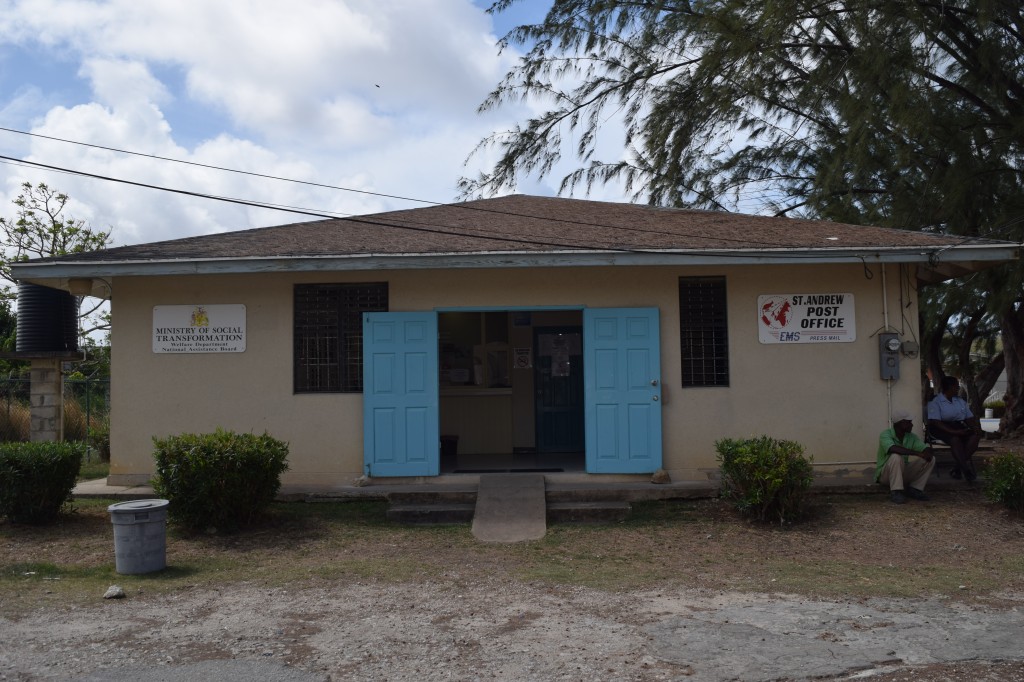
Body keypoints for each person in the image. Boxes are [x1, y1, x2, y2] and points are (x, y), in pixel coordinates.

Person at [927, 376, 981, 482]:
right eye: (957, 385)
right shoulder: (935, 402)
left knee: (975, 436)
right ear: (951, 387)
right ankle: (966, 470)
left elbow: (968, 418)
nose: (958, 387)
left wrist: (974, 428)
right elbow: (936, 422)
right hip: (939, 427)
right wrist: (955, 432)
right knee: (955, 439)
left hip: (957, 426)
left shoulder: (960, 401)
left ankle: (957, 468)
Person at [877, 409, 935, 504]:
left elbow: (924, 448)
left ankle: (915, 489)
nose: (911, 425)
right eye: (909, 422)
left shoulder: (911, 437)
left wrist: (927, 452)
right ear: (901, 423)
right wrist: (917, 453)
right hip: (885, 476)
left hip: (902, 472)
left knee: (931, 459)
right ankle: (896, 491)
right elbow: (893, 448)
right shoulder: (885, 434)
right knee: (896, 456)